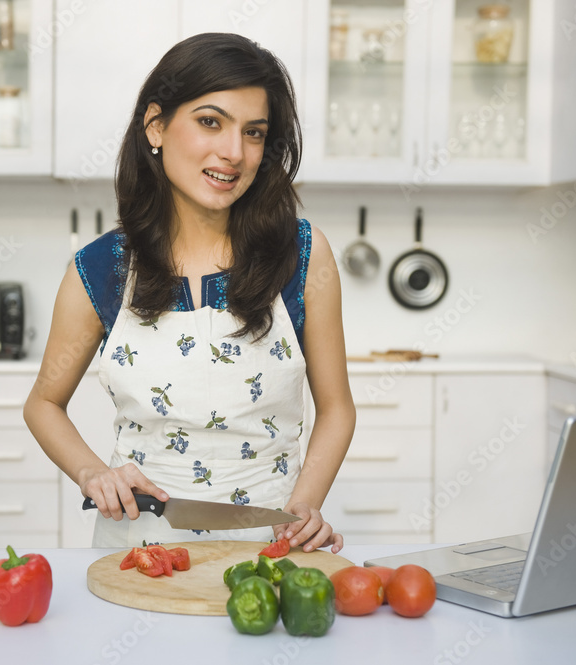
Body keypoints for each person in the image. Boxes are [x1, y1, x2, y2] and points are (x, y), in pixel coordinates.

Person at [24, 32, 355, 553]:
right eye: (210, 121)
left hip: (272, 546)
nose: (233, 152)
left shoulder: (303, 254)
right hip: (138, 554)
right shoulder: (101, 269)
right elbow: (43, 403)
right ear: (156, 125)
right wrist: (93, 474)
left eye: (254, 132)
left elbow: (336, 409)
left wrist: (303, 510)